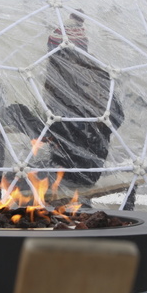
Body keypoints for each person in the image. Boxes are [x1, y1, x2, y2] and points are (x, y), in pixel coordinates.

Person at [41, 11, 124, 188]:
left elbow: (115, 115)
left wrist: (94, 129)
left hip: (85, 166)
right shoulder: (59, 79)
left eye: (58, 53)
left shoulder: (92, 77)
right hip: (66, 164)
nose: (54, 59)